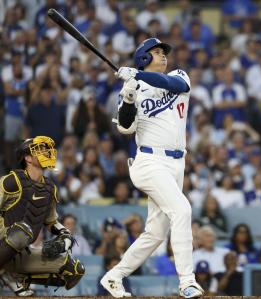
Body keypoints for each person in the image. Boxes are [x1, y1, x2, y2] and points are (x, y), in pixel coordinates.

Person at [100, 38, 204, 298]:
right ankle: (187, 282)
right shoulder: (133, 87)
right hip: (149, 162)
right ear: (144, 58)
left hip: (176, 163)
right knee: (182, 210)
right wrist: (129, 97)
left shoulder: (178, 76)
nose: (163, 56)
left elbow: (174, 84)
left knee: (156, 233)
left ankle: (114, 276)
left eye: (163, 52)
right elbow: (125, 127)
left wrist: (137, 76)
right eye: (156, 53)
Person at [0, 136, 85, 295]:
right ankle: (6, 273)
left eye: (46, 149)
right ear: (27, 158)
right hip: (4, 238)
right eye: (39, 150)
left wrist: (65, 233)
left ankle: (14, 275)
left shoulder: (49, 187)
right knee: (22, 232)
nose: (46, 152)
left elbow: (51, 221)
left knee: (74, 270)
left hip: (21, 250)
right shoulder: (12, 180)